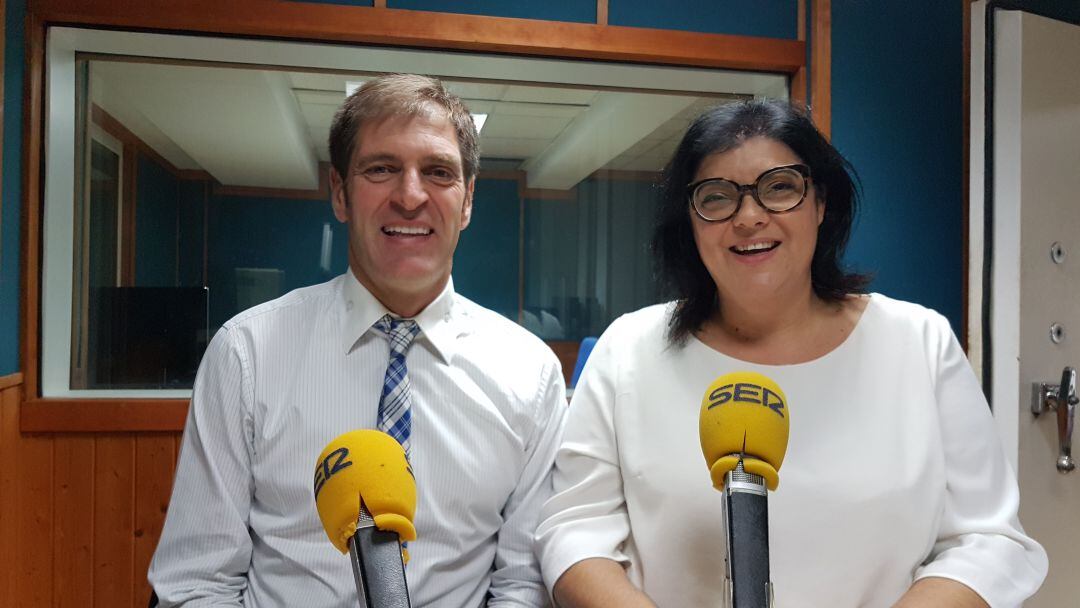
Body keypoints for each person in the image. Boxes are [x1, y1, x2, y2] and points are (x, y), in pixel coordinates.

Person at [535, 100, 1048, 607]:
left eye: (779, 188)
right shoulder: (628, 349)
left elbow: (989, 541)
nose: (749, 216)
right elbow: (574, 529)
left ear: (821, 203)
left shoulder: (920, 343)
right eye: (717, 198)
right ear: (689, 223)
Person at [149, 74, 567, 607]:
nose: (411, 196)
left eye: (438, 172)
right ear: (341, 193)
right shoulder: (245, 353)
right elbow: (196, 583)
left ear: (466, 203)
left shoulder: (529, 372)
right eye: (381, 169)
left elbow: (521, 588)